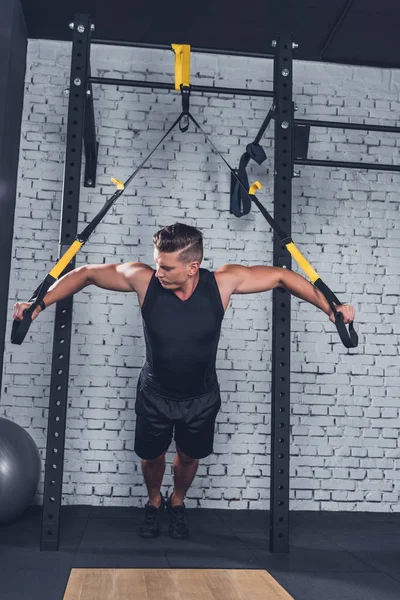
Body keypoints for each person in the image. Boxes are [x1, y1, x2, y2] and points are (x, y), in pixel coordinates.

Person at [13, 222, 355, 539]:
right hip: (154, 393)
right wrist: (39, 304)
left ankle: (176, 501)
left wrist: (329, 308)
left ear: (192, 267)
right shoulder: (143, 279)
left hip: (201, 397)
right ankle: (153, 502)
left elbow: (281, 276)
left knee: (189, 457)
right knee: (152, 456)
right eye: (157, 264)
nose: (158, 272)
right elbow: (86, 273)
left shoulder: (222, 282)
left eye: (166, 267)